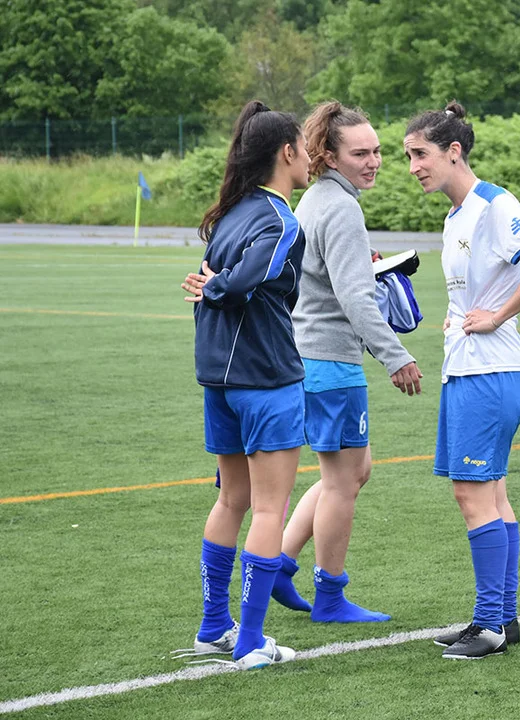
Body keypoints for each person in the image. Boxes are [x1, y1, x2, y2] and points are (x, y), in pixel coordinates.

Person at [404, 102, 520, 660]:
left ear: (454, 151)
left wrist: (496, 316)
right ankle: (503, 618)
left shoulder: (495, 204)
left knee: (471, 493)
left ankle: (488, 626)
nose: (413, 167)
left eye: (420, 154)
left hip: (491, 371)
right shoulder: (456, 216)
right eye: (408, 157)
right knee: (491, 492)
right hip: (470, 369)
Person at [268, 101, 424, 623]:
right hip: (330, 361)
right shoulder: (340, 207)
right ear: (329, 157)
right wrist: (396, 356)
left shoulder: (316, 198)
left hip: (311, 356)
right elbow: (354, 297)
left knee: (355, 471)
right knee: (342, 481)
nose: (374, 161)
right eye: (360, 153)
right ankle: (330, 597)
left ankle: (281, 563)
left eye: (377, 151)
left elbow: (328, 277)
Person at [177, 100, 310, 669]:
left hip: (221, 382)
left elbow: (219, 284)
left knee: (233, 500)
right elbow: (240, 282)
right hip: (267, 378)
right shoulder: (280, 219)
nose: (310, 159)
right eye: (305, 149)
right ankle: (251, 641)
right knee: (269, 510)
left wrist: (213, 285)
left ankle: (214, 627)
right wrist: (218, 286)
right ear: (287, 152)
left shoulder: (231, 211)